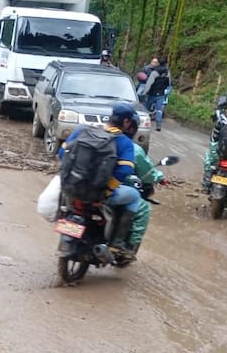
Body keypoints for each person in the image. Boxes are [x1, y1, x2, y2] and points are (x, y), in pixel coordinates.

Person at [58, 103, 143, 257]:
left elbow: (62, 153)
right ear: (126, 122)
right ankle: (117, 244)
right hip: (97, 195)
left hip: (72, 188)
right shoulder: (124, 142)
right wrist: (106, 192)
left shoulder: (83, 130)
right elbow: (125, 170)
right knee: (135, 197)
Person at [127, 140, 165, 260]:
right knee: (143, 208)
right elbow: (148, 173)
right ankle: (129, 248)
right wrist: (159, 177)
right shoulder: (133, 149)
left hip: (85, 187)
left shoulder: (98, 139)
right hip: (115, 188)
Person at [141, 56, 172, 131]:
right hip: (161, 94)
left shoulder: (154, 72)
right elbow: (169, 83)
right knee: (159, 110)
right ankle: (158, 125)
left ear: (158, 63)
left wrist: (144, 92)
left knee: (146, 109)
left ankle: (143, 123)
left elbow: (149, 83)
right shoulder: (167, 72)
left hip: (152, 94)